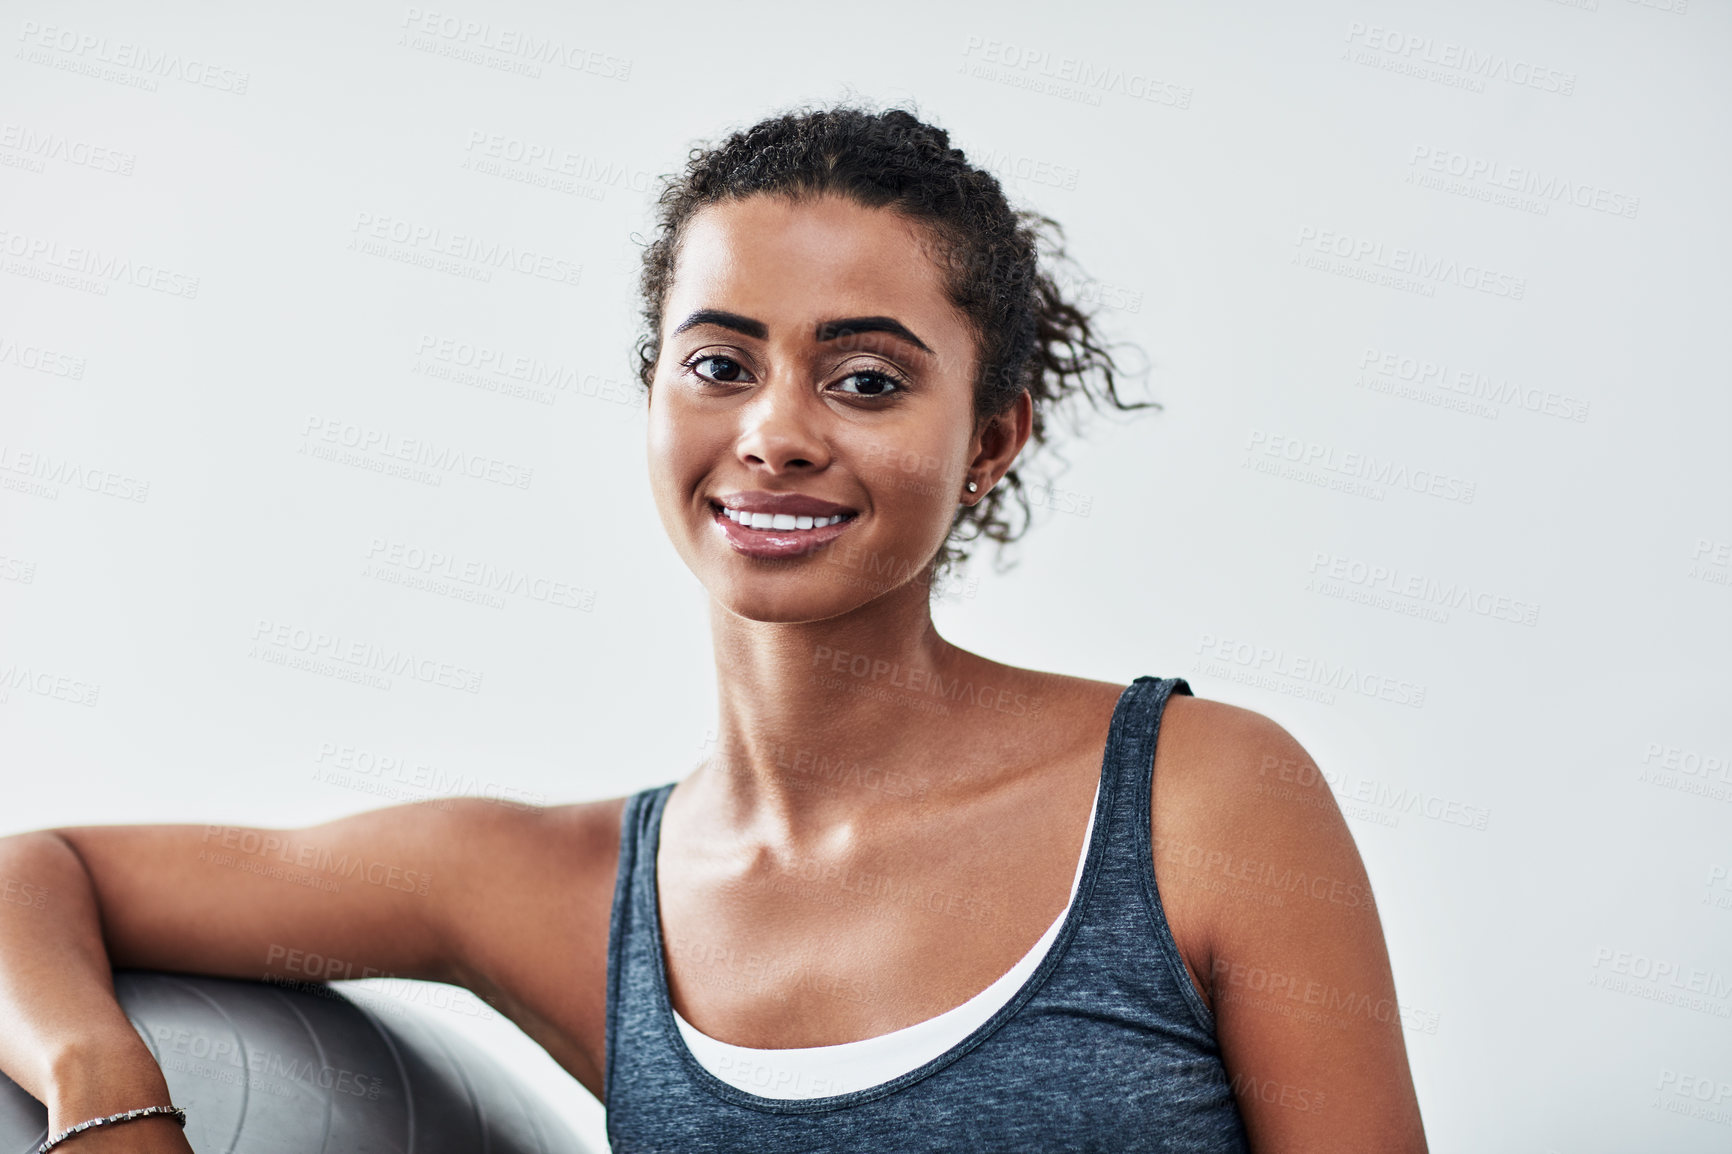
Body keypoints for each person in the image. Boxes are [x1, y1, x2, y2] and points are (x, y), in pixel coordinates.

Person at [0, 104, 1428, 1152]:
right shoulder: (557, 893)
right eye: (719, 364)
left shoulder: (1201, 795)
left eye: (867, 380)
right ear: (654, 398)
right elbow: (31, 875)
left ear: (991, 437)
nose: (777, 433)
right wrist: (103, 1089)